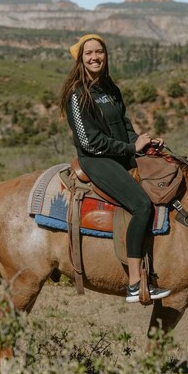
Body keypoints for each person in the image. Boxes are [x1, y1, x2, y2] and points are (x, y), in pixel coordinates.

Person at [58, 33, 171, 303]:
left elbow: (126, 129)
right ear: (80, 59)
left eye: (99, 52)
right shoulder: (78, 94)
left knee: (166, 171)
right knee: (142, 205)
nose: (95, 57)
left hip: (119, 153)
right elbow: (89, 142)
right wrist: (131, 149)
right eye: (89, 54)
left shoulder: (110, 89)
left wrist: (144, 143)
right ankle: (134, 282)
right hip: (96, 159)